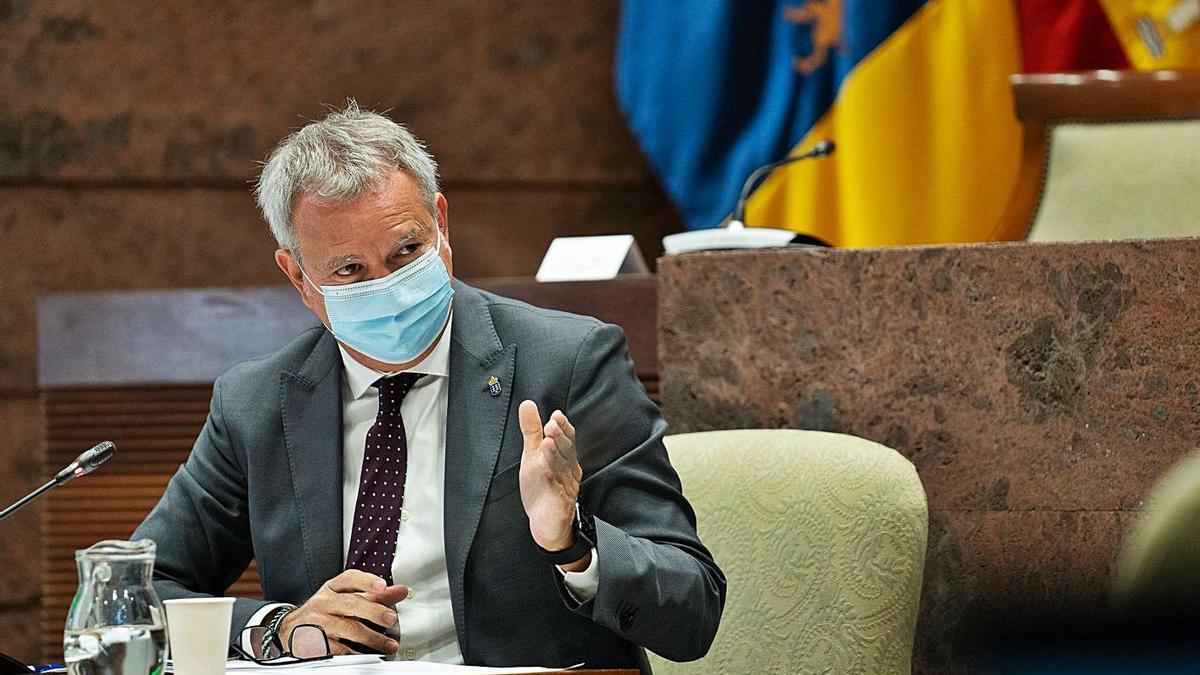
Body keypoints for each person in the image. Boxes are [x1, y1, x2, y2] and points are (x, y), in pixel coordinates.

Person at [132, 102, 725, 672]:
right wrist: (278, 629)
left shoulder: (567, 364)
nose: (387, 284)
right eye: (350, 270)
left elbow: (693, 606)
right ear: (299, 278)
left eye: (407, 250)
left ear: (441, 225)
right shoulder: (256, 404)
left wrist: (573, 542)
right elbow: (140, 594)